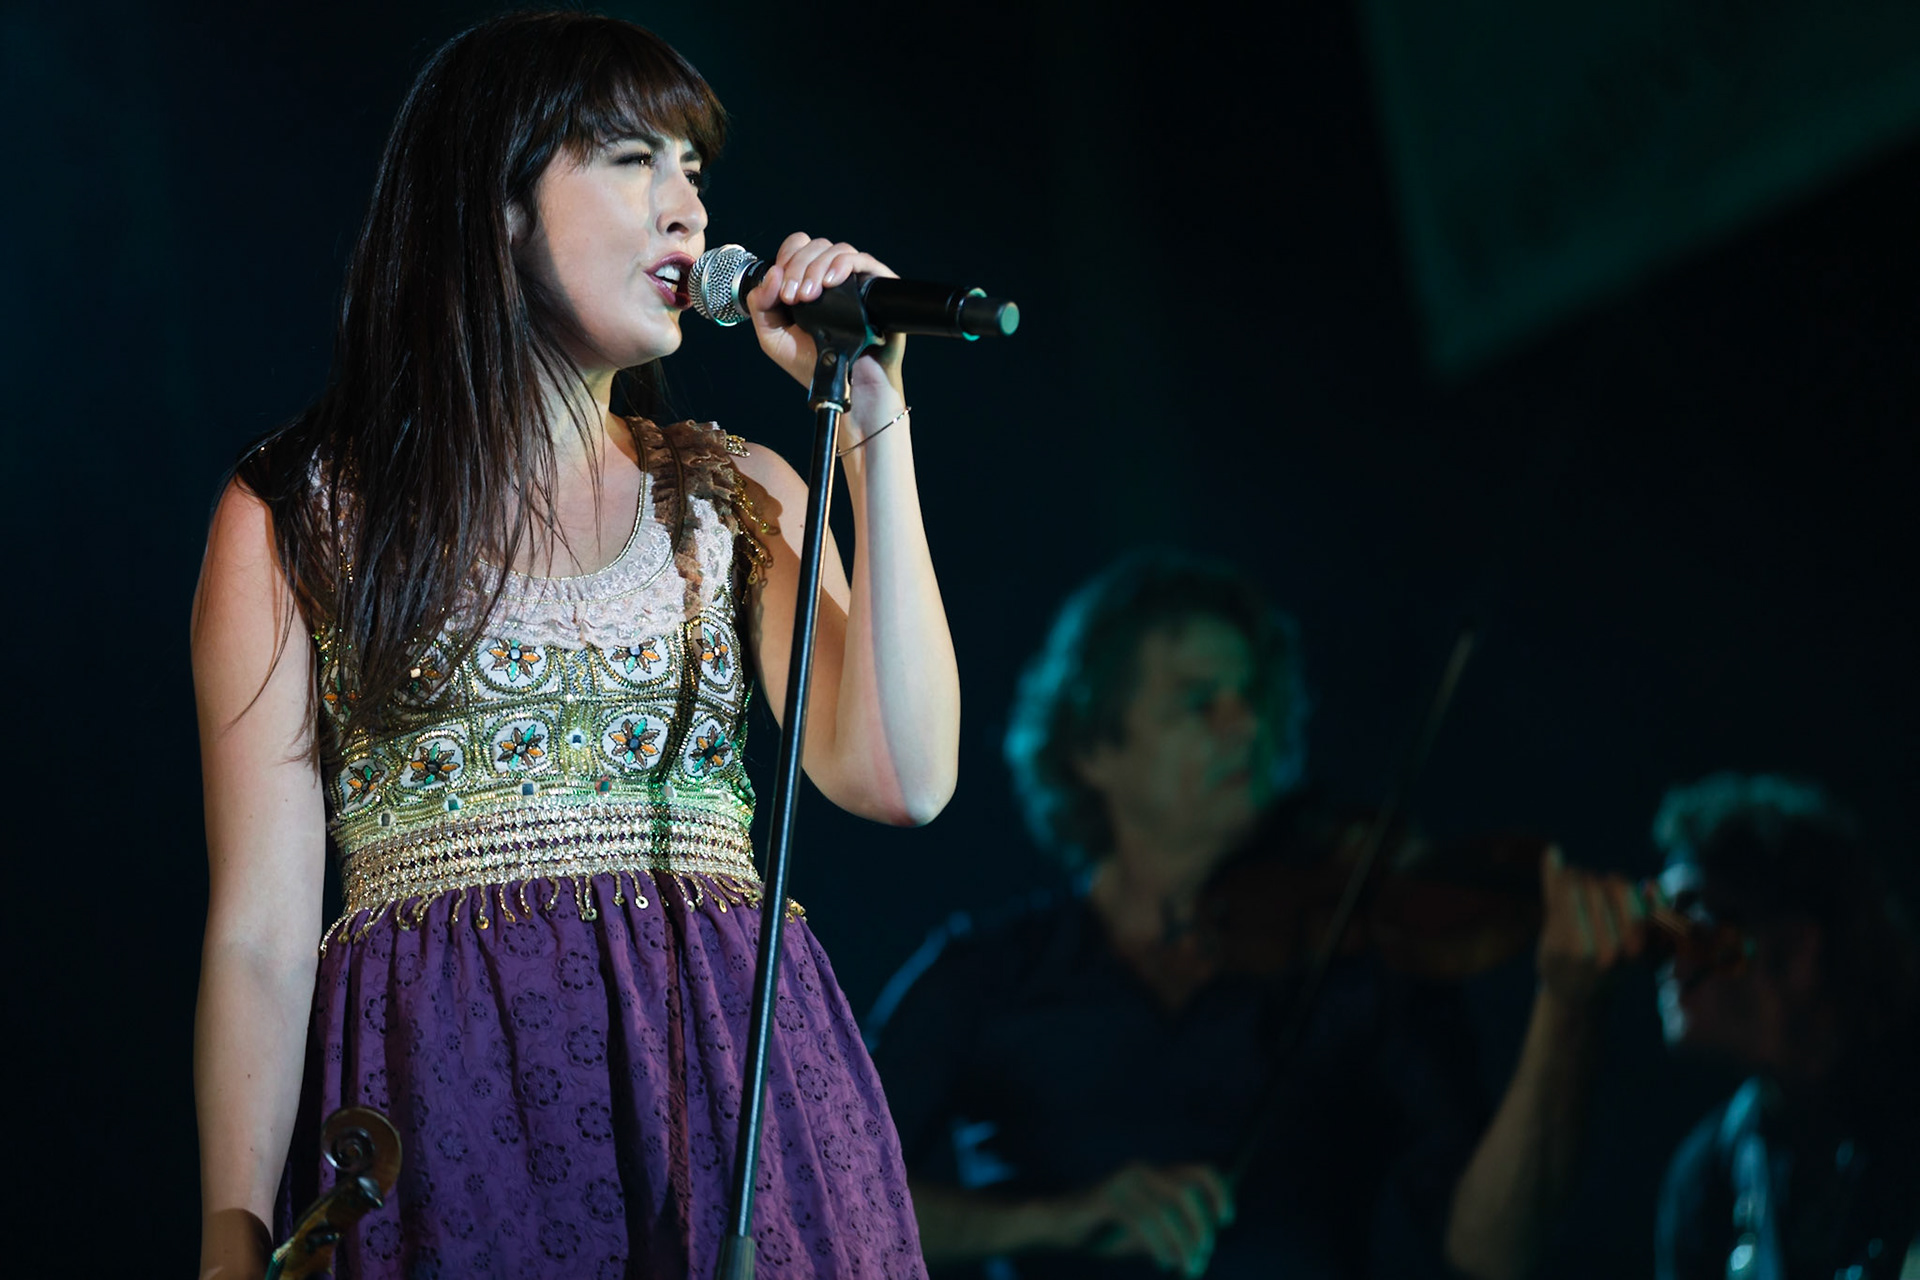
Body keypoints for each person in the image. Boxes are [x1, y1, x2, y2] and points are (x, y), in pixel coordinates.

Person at [191, 13, 959, 1279]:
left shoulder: (738, 495)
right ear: (495, 205)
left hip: (727, 1101)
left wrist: (875, 422)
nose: (687, 211)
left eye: (692, 170)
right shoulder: (300, 514)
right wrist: (231, 1241)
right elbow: (260, 938)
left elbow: (903, 775)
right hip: (453, 1106)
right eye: (631, 160)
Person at [866, 552, 1644, 1280]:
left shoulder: (1360, 951)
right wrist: (1058, 1221)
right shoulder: (985, 980)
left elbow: (1493, 1251)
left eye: (1253, 699)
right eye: (1200, 703)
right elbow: (829, 1185)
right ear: (1093, 747)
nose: (1245, 725)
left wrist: (1569, 1010)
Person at [1647, 774, 1919, 1280]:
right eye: (1661, 928)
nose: (1667, 960)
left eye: (1693, 928)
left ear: (1796, 952)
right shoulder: (1707, 1180)